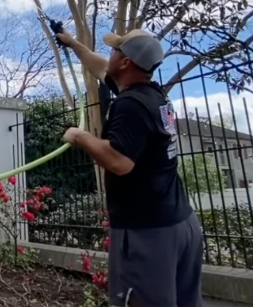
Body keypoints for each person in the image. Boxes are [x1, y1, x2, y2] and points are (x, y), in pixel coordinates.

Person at [55, 28, 203, 307]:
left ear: (125, 63)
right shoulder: (152, 95)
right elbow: (100, 67)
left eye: (115, 50)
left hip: (148, 233)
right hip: (180, 224)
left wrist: (80, 136)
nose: (109, 54)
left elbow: (119, 161)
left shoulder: (130, 105)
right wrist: (73, 43)